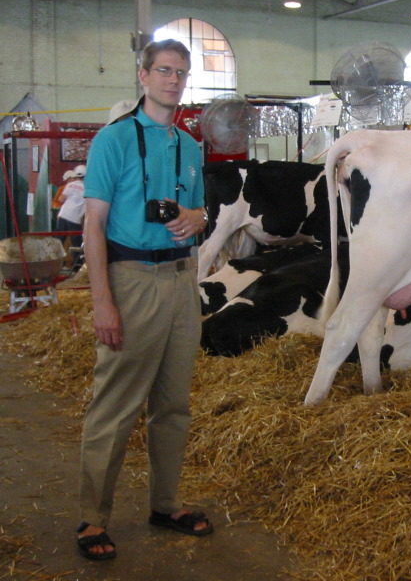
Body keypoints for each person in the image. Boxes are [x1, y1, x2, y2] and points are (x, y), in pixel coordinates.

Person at [76, 39, 212, 561]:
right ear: (142, 75)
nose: (173, 80)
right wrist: (102, 301)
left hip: (182, 278)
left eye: (181, 72)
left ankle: (165, 503)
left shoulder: (190, 145)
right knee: (116, 403)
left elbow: (198, 210)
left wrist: (198, 218)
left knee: (173, 403)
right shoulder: (112, 141)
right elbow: (94, 225)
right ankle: (93, 517)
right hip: (131, 276)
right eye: (163, 70)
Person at [54, 164, 86, 249]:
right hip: (75, 219)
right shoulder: (88, 188)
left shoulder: (70, 185)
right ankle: (77, 261)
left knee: (59, 241)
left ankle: (57, 260)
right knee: (76, 244)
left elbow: (61, 199)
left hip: (63, 215)